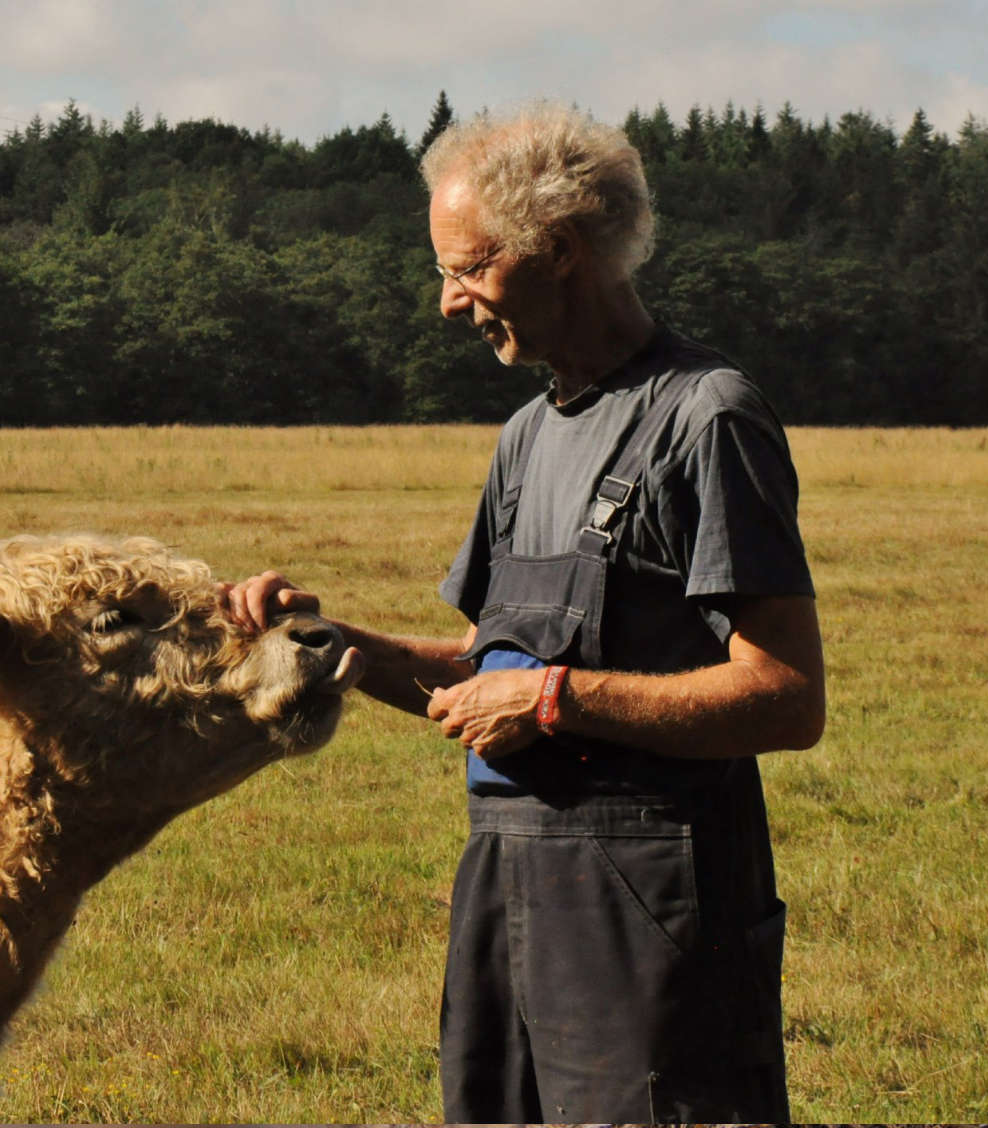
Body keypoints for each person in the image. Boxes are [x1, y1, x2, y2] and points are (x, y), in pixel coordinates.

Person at [223, 102, 824, 1124]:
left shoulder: (703, 417)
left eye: (466, 270)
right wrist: (329, 647)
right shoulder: (524, 439)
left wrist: (553, 701)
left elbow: (782, 697)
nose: (447, 304)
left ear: (561, 251)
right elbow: (479, 671)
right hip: (504, 882)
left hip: (652, 900)